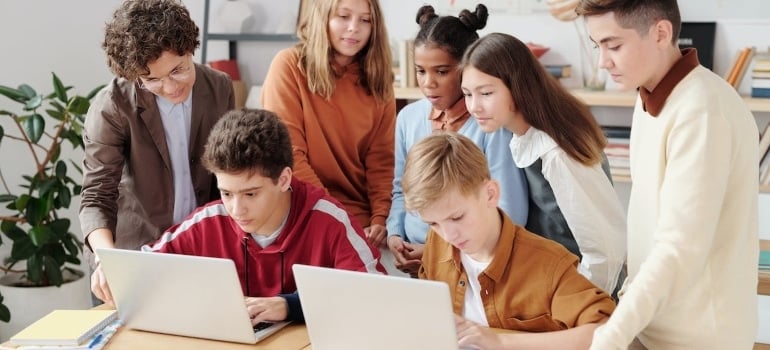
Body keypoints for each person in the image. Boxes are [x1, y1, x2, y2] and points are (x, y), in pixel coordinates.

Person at [576, 1, 760, 348]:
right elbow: (649, 226)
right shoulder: (649, 96)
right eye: (597, 45)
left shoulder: (702, 110)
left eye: (614, 45)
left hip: (700, 339)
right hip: (652, 327)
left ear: (661, 33)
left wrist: (612, 336)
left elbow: (678, 249)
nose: (603, 61)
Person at [94, 108, 386, 323]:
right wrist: (112, 273)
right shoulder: (209, 220)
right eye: (226, 193)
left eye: (250, 194)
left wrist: (290, 306)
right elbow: (140, 269)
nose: (236, 210)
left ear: (284, 179)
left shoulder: (330, 221)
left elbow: (375, 296)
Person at [402, 132, 615, 350]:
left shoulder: (548, 264)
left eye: (457, 218)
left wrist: (499, 341)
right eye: (433, 224)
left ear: (490, 194)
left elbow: (607, 330)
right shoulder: (437, 245)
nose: (448, 236)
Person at [80, 0, 234, 298]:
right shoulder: (112, 107)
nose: (170, 86)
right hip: (135, 257)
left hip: (203, 252)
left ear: (191, 49)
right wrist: (106, 260)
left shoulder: (220, 88)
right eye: (151, 79)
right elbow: (97, 197)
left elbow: (226, 175)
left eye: (178, 70)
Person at [460, 32, 626, 294]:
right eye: (467, 94)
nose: (474, 106)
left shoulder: (555, 152)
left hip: (584, 297)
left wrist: (583, 308)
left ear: (517, 86)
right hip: (553, 285)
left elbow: (604, 251)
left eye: (486, 93)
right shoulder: (521, 135)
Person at [386, 4, 528, 276]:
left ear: (467, 69)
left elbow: (510, 213)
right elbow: (400, 190)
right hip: (415, 262)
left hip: (474, 264)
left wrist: (436, 253)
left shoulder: (491, 126)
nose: (428, 83)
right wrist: (395, 235)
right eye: (420, 71)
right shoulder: (407, 118)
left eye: (441, 71)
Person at [261, 0, 395, 248]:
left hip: (362, 221)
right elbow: (290, 156)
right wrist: (336, 217)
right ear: (322, 18)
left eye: (365, 20)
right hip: (303, 210)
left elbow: (382, 162)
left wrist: (381, 218)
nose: (354, 28)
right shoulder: (289, 65)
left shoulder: (379, 80)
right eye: (343, 16)